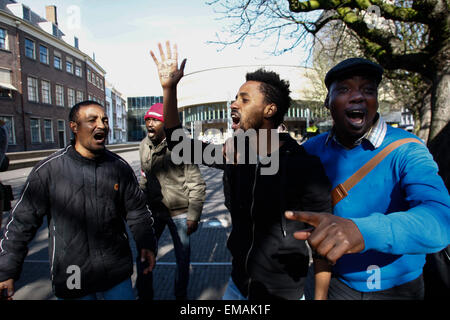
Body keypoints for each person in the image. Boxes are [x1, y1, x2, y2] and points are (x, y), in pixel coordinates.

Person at [150, 41, 332, 300]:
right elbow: (179, 142)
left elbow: (322, 243)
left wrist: (321, 298)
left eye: (244, 99)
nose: (234, 104)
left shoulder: (305, 166)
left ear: (269, 110)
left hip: (283, 293)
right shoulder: (236, 154)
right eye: (235, 98)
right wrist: (169, 89)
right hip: (237, 287)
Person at [286, 58, 450, 300]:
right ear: (327, 103)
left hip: (401, 289)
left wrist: (362, 231)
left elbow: (440, 222)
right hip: (337, 285)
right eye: (344, 89)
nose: (358, 97)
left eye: (368, 90)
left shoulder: (408, 149)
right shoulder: (310, 150)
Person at [0, 101, 157, 300]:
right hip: (71, 274)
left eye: (104, 120)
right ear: (74, 127)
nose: (102, 125)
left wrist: (147, 244)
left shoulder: (119, 167)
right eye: (92, 120)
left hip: (115, 273)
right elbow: (21, 223)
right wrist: (6, 271)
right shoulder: (49, 170)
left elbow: (138, 211)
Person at [136, 102, 206, 300]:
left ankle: (180, 296)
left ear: (166, 125)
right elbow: (144, 178)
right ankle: (144, 295)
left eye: (155, 120)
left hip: (180, 214)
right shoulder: (143, 145)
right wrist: (139, 209)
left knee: (182, 260)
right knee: (143, 255)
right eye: (148, 120)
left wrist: (193, 215)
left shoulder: (182, 147)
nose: (150, 124)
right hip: (154, 213)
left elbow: (196, 183)